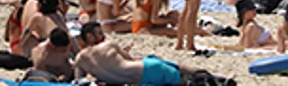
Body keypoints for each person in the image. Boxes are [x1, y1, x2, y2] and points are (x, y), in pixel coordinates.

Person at [74, 39, 220, 86]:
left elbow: (78, 81)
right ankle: (218, 79)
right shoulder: (108, 45)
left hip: (141, 79)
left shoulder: (80, 60)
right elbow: (129, 59)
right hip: (146, 68)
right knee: (183, 71)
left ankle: (216, 80)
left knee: (185, 82)